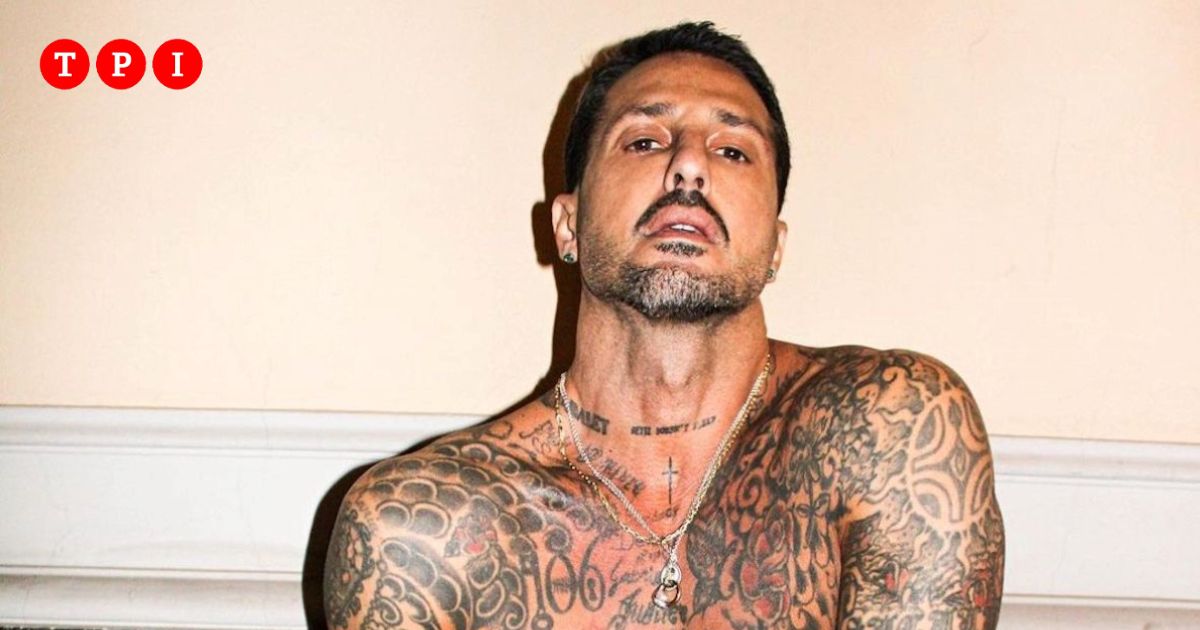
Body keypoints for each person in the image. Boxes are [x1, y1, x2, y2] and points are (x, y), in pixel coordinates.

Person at [324, 21, 1004, 629]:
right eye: (645, 141)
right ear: (568, 226)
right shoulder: (423, 531)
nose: (689, 164)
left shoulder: (887, 425)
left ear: (775, 247)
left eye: (733, 151)